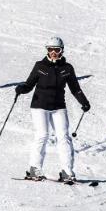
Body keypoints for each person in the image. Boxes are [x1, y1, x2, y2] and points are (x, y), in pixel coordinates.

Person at [15, 37, 91, 182]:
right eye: (50, 49)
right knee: (42, 135)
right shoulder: (40, 66)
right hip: (39, 105)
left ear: (61, 50)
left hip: (58, 106)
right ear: (47, 50)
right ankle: (34, 169)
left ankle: (67, 172)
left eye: (56, 49)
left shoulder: (67, 68)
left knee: (64, 137)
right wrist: (21, 88)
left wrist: (84, 102)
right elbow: (29, 84)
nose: (53, 52)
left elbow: (75, 89)